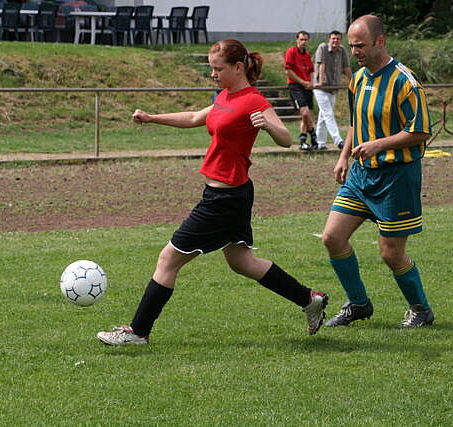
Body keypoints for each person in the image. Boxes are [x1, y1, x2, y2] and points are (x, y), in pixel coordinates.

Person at [97, 39, 329, 346]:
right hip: (229, 195)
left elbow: (286, 139)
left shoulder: (253, 100)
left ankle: (137, 332)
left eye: (218, 69)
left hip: (224, 200)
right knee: (242, 262)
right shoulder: (224, 96)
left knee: (168, 259)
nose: (212, 74)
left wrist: (268, 126)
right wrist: (153, 118)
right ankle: (309, 299)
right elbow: (195, 117)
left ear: (237, 67)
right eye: (211, 69)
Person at [321, 15, 435, 329]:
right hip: (361, 176)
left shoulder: (404, 81)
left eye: (360, 45)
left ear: (380, 41)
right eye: (351, 46)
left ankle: (421, 309)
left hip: (396, 178)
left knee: (391, 253)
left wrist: (378, 145)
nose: (354, 51)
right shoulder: (358, 79)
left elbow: (421, 131)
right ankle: (358, 304)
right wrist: (343, 157)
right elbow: (355, 122)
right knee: (332, 237)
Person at [313, 30, 352, 150]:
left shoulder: (342, 50)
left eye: (338, 39)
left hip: (333, 88)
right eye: (333, 38)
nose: (335, 41)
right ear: (329, 39)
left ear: (341, 40)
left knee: (323, 115)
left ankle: (320, 143)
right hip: (320, 88)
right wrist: (321, 82)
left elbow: (346, 68)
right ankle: (338, 140)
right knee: (328, 113)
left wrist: (354, 82)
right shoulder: (323, 48)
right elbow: (321, 65)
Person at [284, 31, 317, 151]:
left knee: (306, 115)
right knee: (305, 113)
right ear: (297, 40)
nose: (303, 42)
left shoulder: (307, 54)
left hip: (307, 86)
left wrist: (311, 82)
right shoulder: (291, 52)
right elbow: (288, 71)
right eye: (301, 39)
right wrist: (303, 82)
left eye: (305, 40)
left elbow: (311, 71)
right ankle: (313, 136)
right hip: (296, 86)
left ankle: (304, 141)